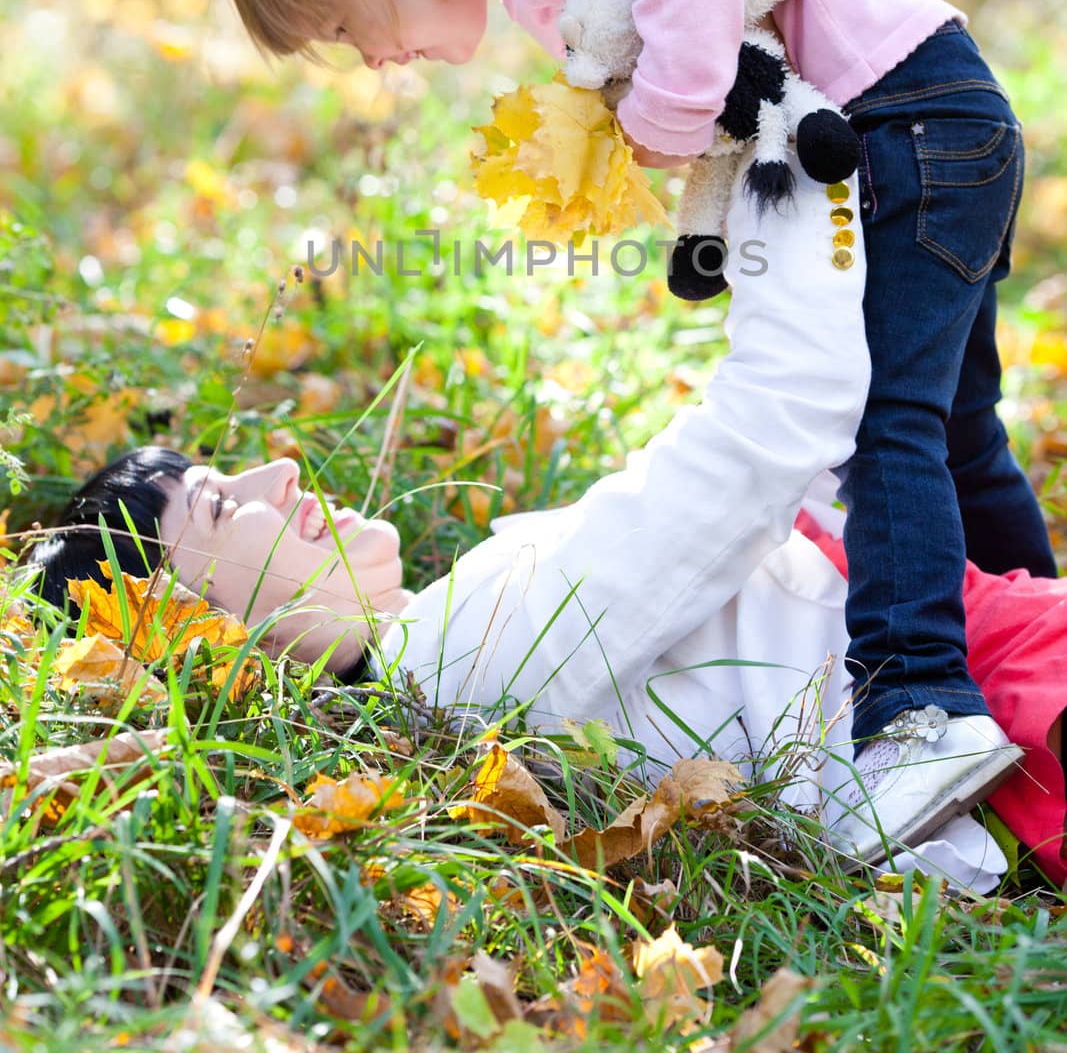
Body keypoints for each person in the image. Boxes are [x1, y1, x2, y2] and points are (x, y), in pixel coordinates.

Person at [207, 0, 1057, 850]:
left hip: (901, 123)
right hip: (939, 112)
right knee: (950, 427)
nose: (373, 59)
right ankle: (1028, 622)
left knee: (884, 427)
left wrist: (667, 106)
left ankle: (916, 711)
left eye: (342, 28)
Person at [29, 156, 1065, 887]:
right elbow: (775, 419)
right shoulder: (463, 652)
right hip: (1007, 708)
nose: (279, 468)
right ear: (201, 629)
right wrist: (783, 168)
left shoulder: (458, 636)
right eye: (219, 501)